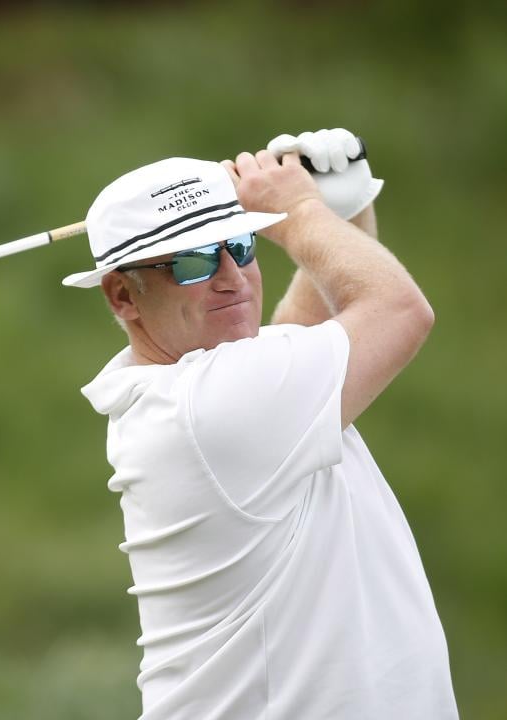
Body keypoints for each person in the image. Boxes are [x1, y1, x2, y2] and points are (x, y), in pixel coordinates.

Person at [63, 128, 457, 719]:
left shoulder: (205, 382)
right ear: (123, 296)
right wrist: (301, 211)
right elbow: (399, 311)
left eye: (241, 245)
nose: (232, 276)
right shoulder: (207, 406)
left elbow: (305, 327)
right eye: (193, 262)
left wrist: (341, 211)